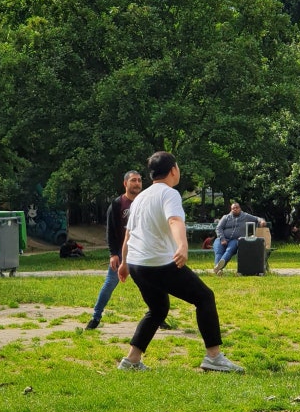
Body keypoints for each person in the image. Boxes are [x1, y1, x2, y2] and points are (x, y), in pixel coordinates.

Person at [117, 151, 244, 373]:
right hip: (157, 264)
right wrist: (182, 246)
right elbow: (175, 220)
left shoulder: (140, 198)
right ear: (173, 170)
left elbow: (128, 235)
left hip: (138, 264)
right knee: (204, 297)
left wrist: (124, 262)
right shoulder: (169, 194)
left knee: (158, 309)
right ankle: (213, 357)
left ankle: (132, 360)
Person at [85, 170, 143, 330]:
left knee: (153, 285)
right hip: (121, 252)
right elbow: (110, 231)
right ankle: (95, 317)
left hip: (142, 252)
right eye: (133, 180)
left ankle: (159, 316)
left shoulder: (145, 202)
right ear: (125, 183)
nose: (137, 183)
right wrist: (113, 254)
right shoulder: (117, 204)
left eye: (139, 180)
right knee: (110, 283)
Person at [213, 202, 266, 274]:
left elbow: (257, 218)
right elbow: (219, 228)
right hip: (221, 239)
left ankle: (218, 268)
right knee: (219, 252)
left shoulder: (245, 216)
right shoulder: (226, 217)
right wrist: (222, 239)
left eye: (236, 208)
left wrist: (262, 221)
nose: (235, 209)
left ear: (240, 208)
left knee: (229, 250)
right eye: (233, 208)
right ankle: (218, 270)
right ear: (231, 210)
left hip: (234, 240)